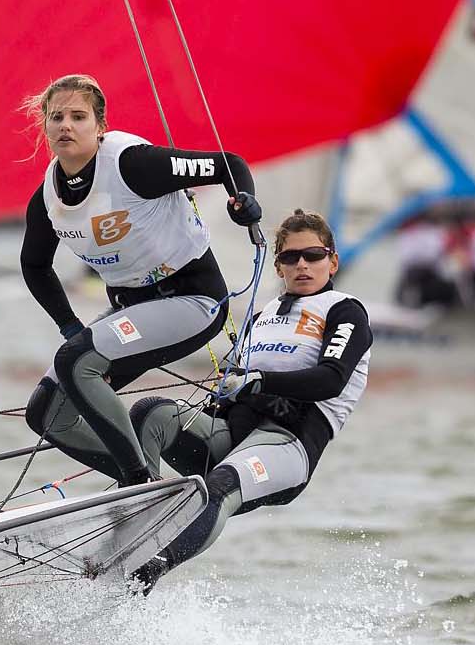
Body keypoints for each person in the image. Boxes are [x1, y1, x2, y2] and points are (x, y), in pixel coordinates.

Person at [20, 74, 262, 488]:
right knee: (46, 413)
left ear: (100, 127)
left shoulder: (134, 166)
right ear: (44, 127)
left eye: (79, 117)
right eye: (56, 117)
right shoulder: (48, 197)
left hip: (192, 302)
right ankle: (145, 480)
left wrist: (245, 203)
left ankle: (137, 484)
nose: (66, 126)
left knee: (75, 362)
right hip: (131, 308)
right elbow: (34, 266)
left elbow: (228, 165)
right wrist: (70, 325)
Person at [127, 209, 371, 594]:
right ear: (279, 267)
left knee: (220, 484)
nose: (302, 265)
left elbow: (331, 379)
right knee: (150, 413)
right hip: (233, 434)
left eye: (313, 255)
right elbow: (234, 385)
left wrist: (257, 382)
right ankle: (135, 520)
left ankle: (145, 573)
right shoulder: (263, 316)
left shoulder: (345, 311)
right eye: (291, 257)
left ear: (333, 261)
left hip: (288, 445)